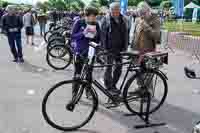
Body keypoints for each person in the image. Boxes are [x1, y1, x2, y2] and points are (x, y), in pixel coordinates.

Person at [71, 6, 100, 97]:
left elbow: (99, 38)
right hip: (79, 52)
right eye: (93, 16)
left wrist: (96, 35)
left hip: (90, 52)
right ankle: (75, 93)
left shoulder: (96, 24)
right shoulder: (79, 22)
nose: (94, 18)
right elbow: (73, 36)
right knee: (77, 74)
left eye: (95, 16)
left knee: (89, 74)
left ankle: (88, 91)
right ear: (87, 15)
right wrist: (83, 33)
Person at [101, 2, 128, 95]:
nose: (115, 12)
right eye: (113, 10)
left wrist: (125, 47)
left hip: (119, 49)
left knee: (118, 67)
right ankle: (108, 86)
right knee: (108, 68)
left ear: (119, 10)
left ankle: (113, 84)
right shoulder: (106, 19)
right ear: (110, 10)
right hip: (109, 49)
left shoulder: (123, 19)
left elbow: (125, 34)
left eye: (117, 10)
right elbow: (103, 35)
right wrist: (104, 48)